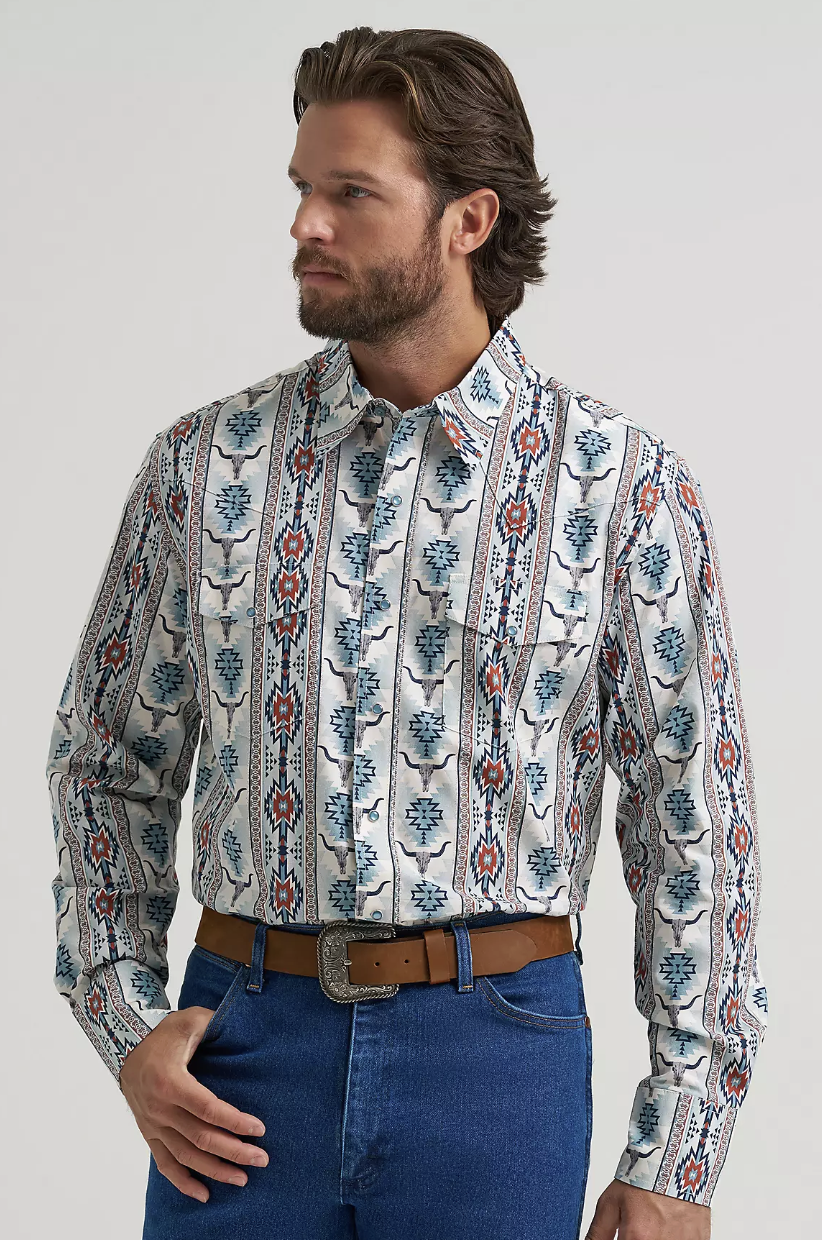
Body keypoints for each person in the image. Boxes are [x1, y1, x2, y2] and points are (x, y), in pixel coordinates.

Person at [45, 25, 768, 1240]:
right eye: (301, 188)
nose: (305, 224)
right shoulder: (204, 467)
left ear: (468, 220)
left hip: (496, 1061)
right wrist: (124, 1018)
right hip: (241, 1055)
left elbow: (695, 823)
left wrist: (679, 1155)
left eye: (351, 193)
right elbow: (103, 760)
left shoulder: (622, 489)